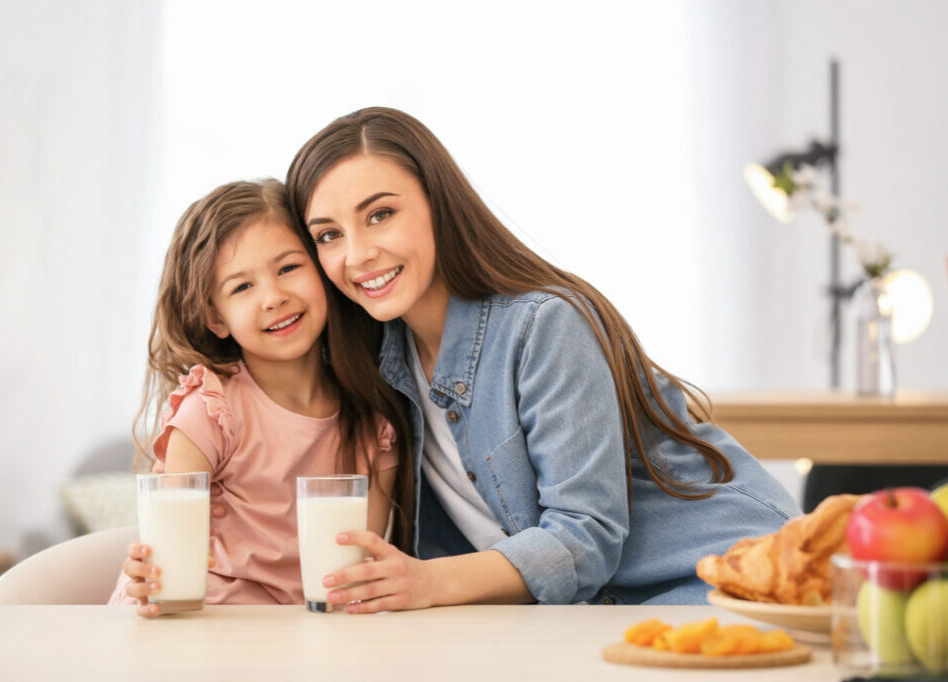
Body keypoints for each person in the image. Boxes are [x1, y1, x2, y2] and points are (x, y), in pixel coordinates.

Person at [283, 107, 802, 611]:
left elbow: (585, 537)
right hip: (593, 612)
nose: (356, 255)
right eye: (329, 235)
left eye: (381, 215)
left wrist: (427, 582)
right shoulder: (378, 359)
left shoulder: (544, 326)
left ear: (438, 205)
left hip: (728, 582)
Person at [109, 179, 412, 616]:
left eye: (289, 268)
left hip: (303, 639)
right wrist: (150, 578)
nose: (274, 297)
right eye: (242, 287)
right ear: (215, 318)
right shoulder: (211, 412)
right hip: (203, 623)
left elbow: (356, 581)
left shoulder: (373, 424)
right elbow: (168, 570)